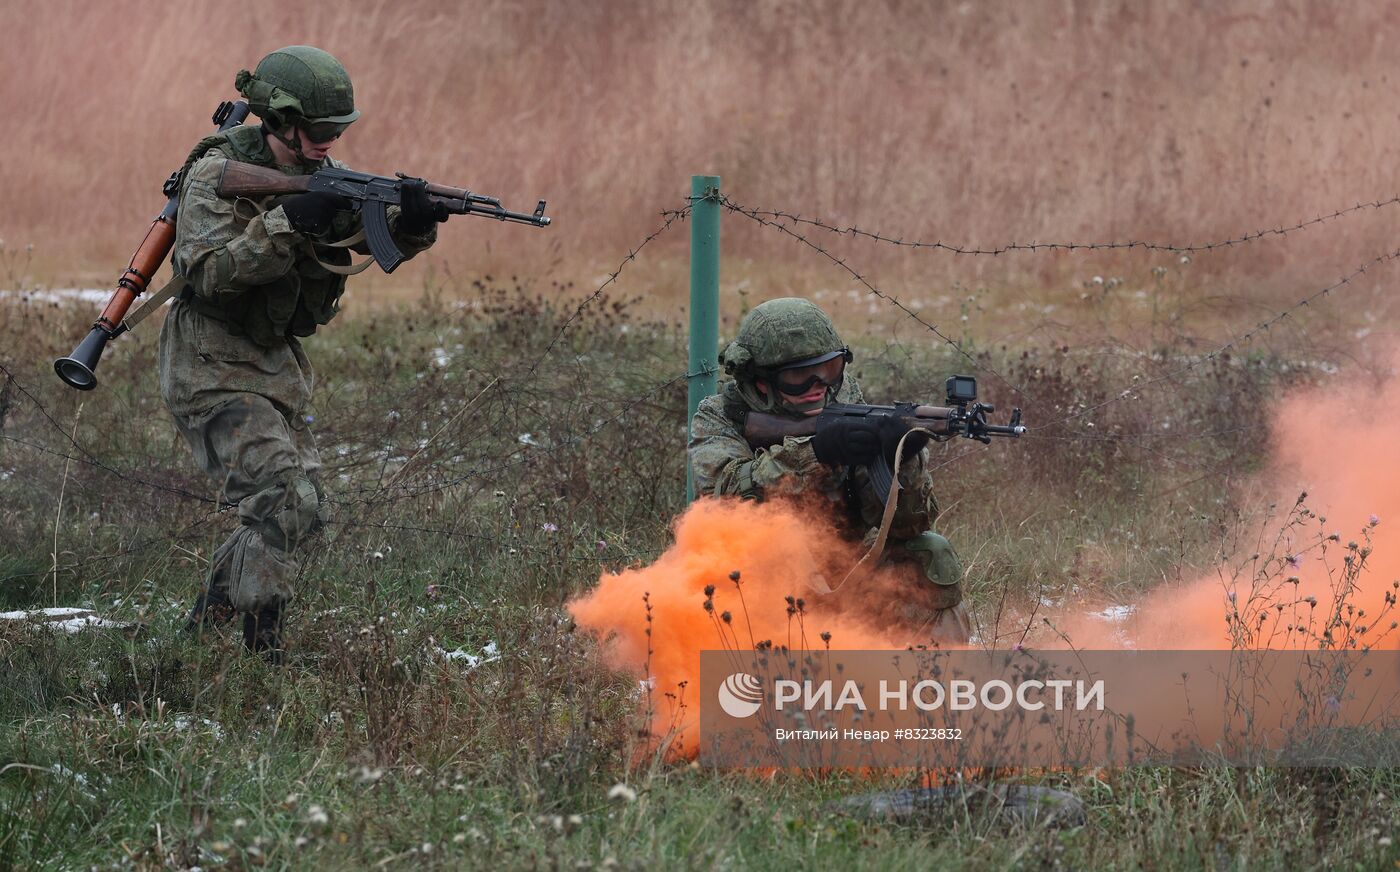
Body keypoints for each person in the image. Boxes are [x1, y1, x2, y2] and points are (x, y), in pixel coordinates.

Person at [160, 46, 447, 658]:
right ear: (279, 120)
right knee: (284, 502)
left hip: (273, 366)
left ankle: (204, 623)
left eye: (338, 131)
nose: (327, 142)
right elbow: (208, 273)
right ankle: (262, 653)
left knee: (304, 513)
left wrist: (413, 225)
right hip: (208, 362)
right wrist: (288, 221)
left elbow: (357, 244)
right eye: (318, 131)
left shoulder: (323, 176)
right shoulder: (215, 176)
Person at [688, 297, 971, 645]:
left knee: (931, 552)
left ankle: (941, 684)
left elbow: (908, 525)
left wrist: (902, 458)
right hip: (756, 581)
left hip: (844, 571)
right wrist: (816, 452)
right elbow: (725, 495)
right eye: (798, 377)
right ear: (761, 381)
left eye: (829, 369)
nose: (818, 385)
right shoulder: (720, 417)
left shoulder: (844, 400)